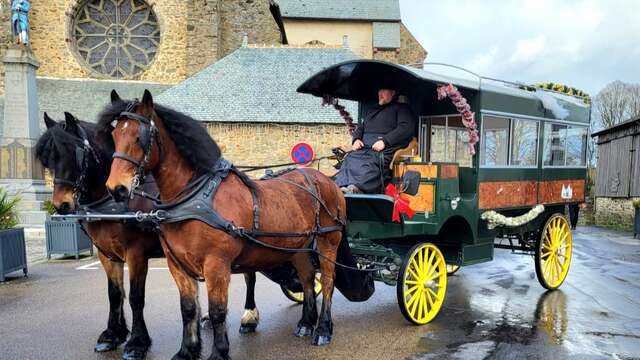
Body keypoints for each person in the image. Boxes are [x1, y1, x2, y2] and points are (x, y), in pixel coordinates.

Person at [335, 88, 416, 194]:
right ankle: (341, 187)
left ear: (393, 93)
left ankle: (356, 188)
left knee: (370, 161)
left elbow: (405, 128)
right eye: (379, 91)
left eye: (384, 91)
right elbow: (361, 128)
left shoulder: (402, 108)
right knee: (350, 158)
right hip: (365, 147)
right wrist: (356, 139)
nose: (380, 94)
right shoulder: (371, 110)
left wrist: (385, 141)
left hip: (385, 148)